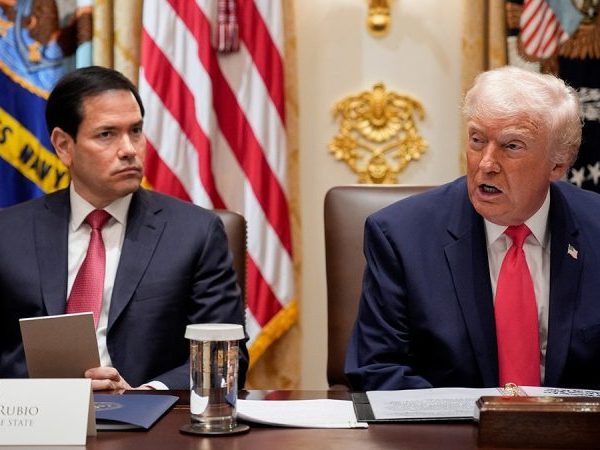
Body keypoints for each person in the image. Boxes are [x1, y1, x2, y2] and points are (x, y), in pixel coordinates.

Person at [345, 66, 600, 391]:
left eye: (512, 146)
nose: (486, 164)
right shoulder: (400, 236)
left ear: (558, 164)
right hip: (452, 425)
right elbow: (377, 370)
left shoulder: (595, 227)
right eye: (477, 140)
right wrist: (475, 416)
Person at [0, 66, 248, 390]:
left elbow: (225, 357)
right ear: (63, 146)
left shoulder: (195, 234)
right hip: (35, 413)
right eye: (107, 134)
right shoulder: (8, 234)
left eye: (136, 131)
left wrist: (146, 395)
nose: (129, 149)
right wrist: (47, 392)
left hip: (149, 415)